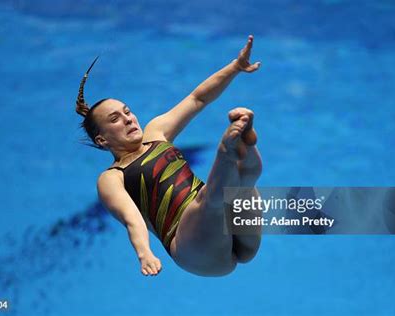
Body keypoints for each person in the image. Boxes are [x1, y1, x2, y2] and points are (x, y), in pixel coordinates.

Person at [75, 35, 263, 277]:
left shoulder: (156, 131)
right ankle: (229, 149)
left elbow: (198, 98)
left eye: (127, 111)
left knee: (242, 186)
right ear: (102, 140)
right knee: (210, 199)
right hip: (192, 247)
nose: (128, 118)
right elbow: (132, 219)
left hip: (232, 234)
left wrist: (235, 67)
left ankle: (242, 154)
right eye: (115, 119)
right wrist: (145, 253)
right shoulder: (111, 178)